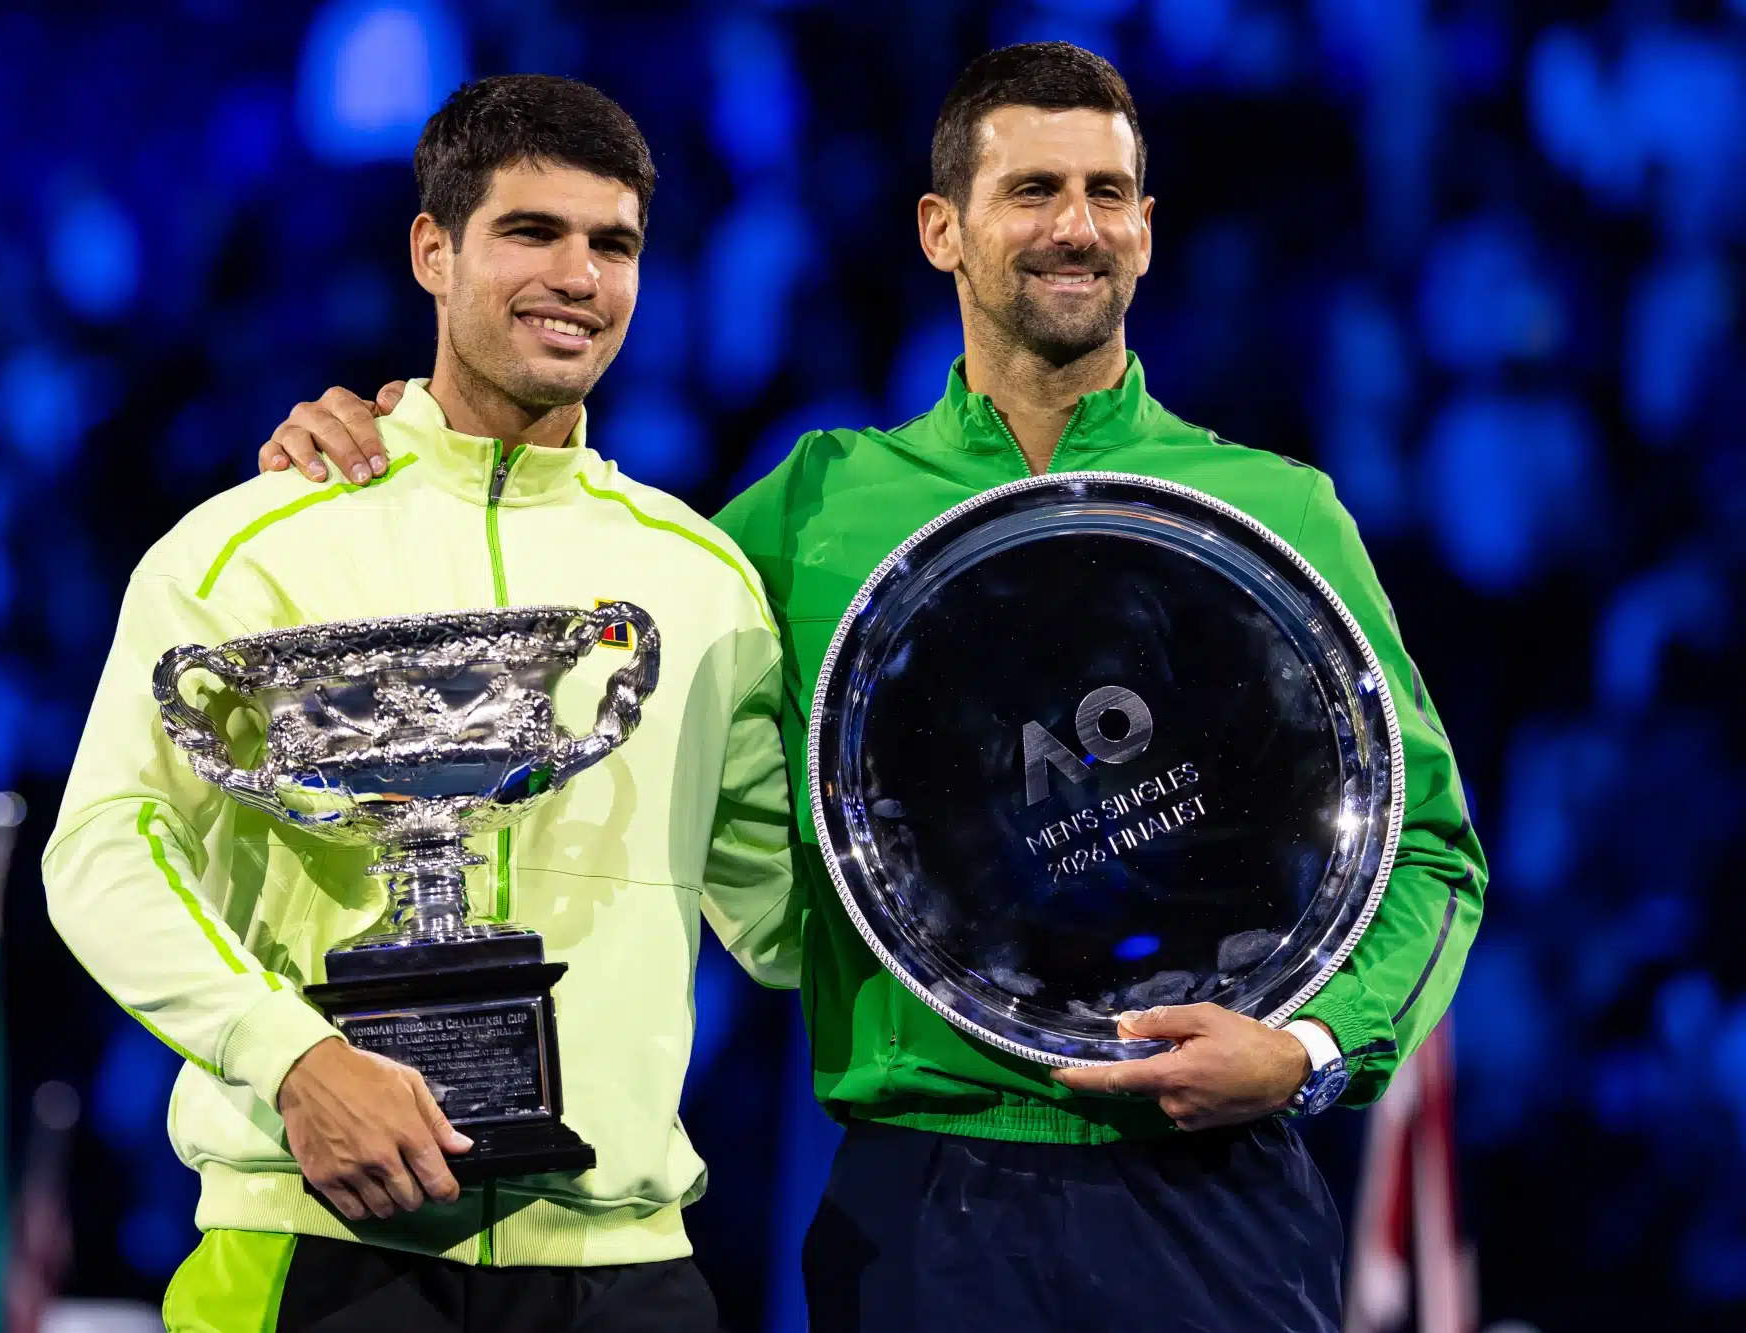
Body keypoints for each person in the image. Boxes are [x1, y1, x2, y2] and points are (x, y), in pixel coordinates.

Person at [263, 43, 1486, 1333]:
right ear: (939, 229)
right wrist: (407, 450)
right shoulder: (814, 510)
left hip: (1213, 1190)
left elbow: (1430, 852)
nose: (1076, 228)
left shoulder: (1273, 513)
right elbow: (561, 615)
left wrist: (1306, 1052)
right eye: (1031, 192)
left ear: (1144, 228)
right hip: (923, 1198)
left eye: (1107, 194)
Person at [46, 74, 801, 1333]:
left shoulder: (698, 579)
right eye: (531, 232)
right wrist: (289, 1057)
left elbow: (781, 924)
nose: (579, 276)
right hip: (314, 1234)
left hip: (621, 1261)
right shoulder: (253, 545)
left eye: (612, 244)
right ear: (432, 250)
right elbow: (104, 849)